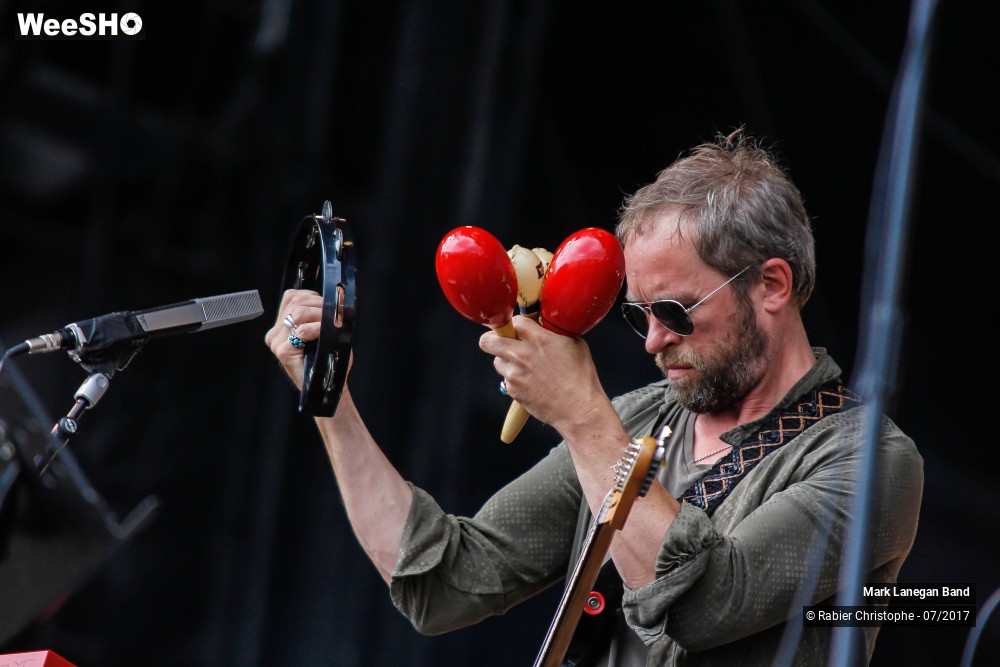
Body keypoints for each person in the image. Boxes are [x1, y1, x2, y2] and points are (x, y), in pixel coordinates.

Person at [266, 129, 923, 666]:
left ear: (772, 285)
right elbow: (446, 581)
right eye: (639, 316)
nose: (654, 340)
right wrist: (331, 398)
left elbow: (700, 607)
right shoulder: (638, 419)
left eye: (675, 310)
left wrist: (581, 417)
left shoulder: (871, 463)